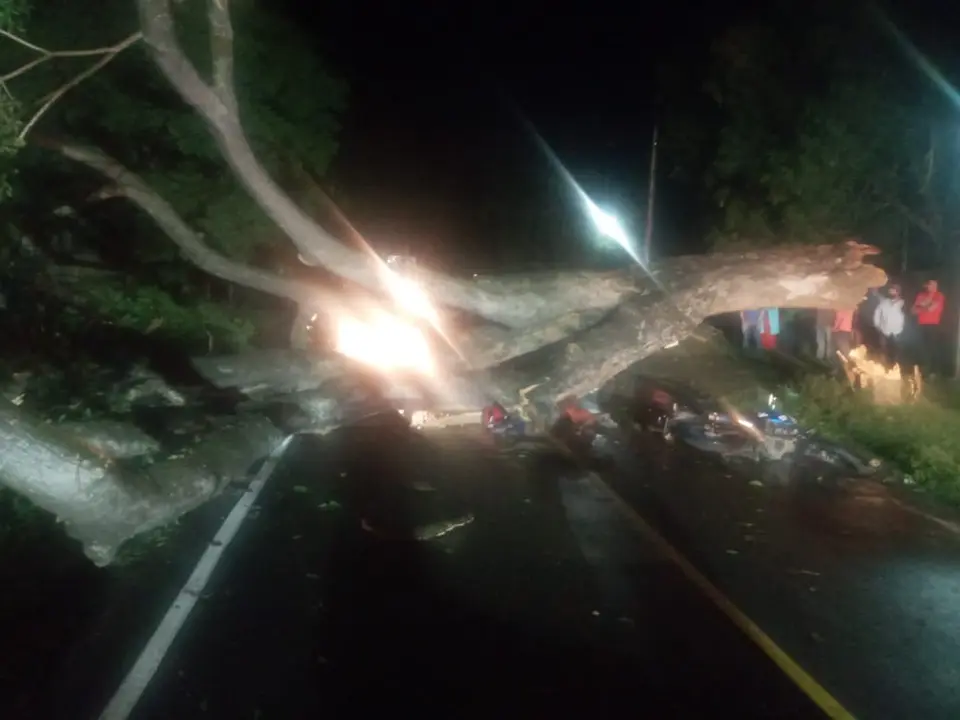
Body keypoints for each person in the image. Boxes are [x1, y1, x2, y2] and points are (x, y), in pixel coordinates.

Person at [911, 279, 945, 376]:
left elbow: (931, 309)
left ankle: (932, 372)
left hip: (933, 325)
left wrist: (921, 307)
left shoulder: (939, 296)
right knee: (922, 348)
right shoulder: (921, 295)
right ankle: (922, 370)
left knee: (932, 348)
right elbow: (913, 311)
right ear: (926, 286)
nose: (933, 287)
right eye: (931, 284)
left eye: (935, 285)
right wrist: (925, 306)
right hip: (921, 324)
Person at [873, 285, 905, 369]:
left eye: (893, 290)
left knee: (896, 351)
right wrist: (877, 325)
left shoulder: (902, 303)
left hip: (897, 331)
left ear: (898, 292)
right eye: (890, 290)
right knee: (884, 350)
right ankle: (884, 368)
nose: (890, 292)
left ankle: (896, 368)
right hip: (884, 330)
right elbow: (877, 313)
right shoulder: (884, 302)